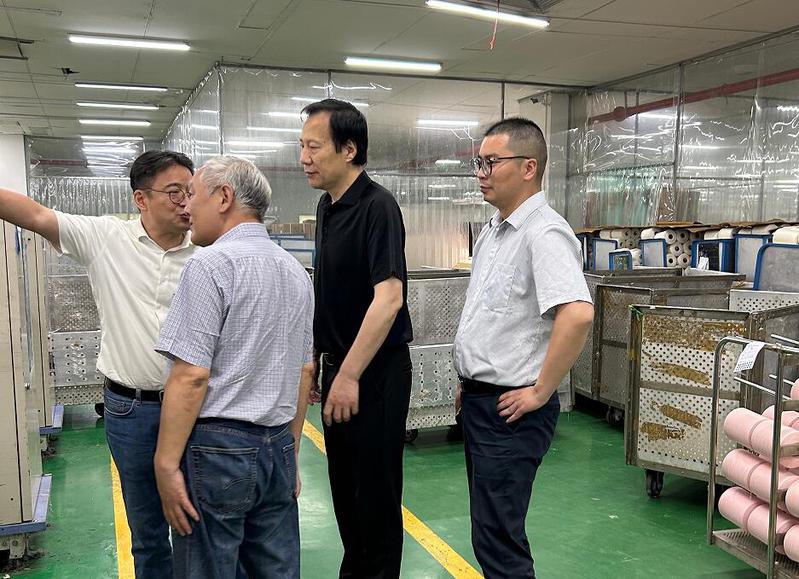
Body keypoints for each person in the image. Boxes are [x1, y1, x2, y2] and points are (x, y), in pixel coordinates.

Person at [0, 150, 195, 578]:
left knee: (192, 525)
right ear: (141, 199)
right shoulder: (106, 237)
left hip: (196, 409)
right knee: (147, 530)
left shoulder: (206, 250)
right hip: (131, 410)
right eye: (174, 192)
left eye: (191, 191)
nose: (186, 202)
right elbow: (35, 214)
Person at [153, 156, 314, 579]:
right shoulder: (295, 272)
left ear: (224, 197)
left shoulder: (210, 265)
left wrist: (166, 464)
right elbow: (304, 371)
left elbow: (191, 375)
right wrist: (291, 452)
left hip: (218, 451)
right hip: (277, 444)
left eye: (193, 195)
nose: (187, 207)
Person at [453, 117, 594, 578]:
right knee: (489, 533)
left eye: (491, 162)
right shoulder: (494, 231)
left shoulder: (544, 232)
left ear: (529, 167)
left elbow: (577, 313)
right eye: (479, 162)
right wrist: (469, 377)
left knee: (500, 542)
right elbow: (495, 315)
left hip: (510, 411)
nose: (481, 173)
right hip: (482, 400)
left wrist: (540, 391)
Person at [300, 99, 413, 578]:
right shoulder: (327, 206)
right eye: (302, 146)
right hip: (338, 368)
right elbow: (331, 291)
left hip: (374, 374)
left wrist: (348, 376)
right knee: (345, 493)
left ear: (349, 150)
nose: (304, 158)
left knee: (376, 498)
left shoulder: (377, 207)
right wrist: (317, 359)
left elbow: (388, 298)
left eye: (313, 147)